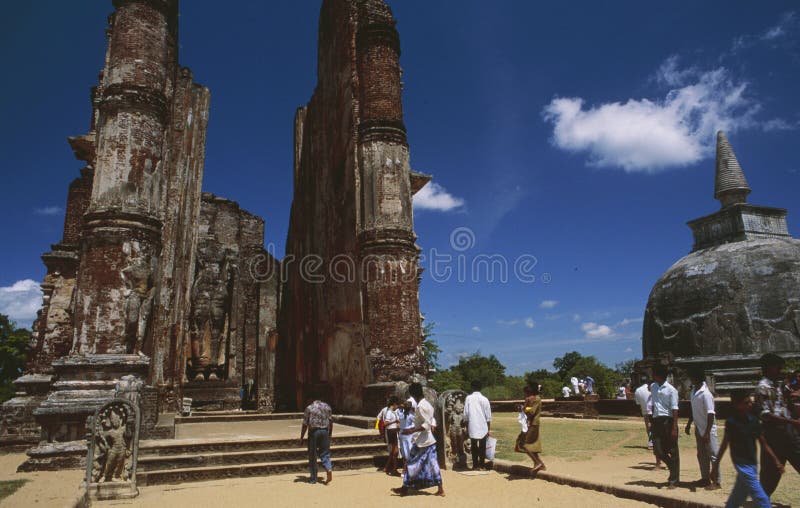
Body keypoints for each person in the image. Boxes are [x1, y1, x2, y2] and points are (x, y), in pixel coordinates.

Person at [712, 390, 783, 508]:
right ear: (737, 405)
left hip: (752, 464)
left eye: (750, 402)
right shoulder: (731, 422)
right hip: (742, 465)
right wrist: (715, 465)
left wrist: (776, 461)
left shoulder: (754, 421)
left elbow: (763, 443)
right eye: (746, 402)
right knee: (762, 498)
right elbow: (725, 444)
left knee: (736, 498)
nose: (750, 404)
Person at [754, 353, 800, 496]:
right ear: (768, 368)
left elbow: (784, 406)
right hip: (773, 435)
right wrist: (792, 422)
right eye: (777, 367)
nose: (780, 369)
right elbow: (766, 415)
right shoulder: (762, 387)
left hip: (788, 432)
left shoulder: (779, 386)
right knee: (770, 476)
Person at [391, 383, 444, 497]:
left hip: (422, 441)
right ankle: (440, 489)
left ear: (413, 393)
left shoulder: (421, 406)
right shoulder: (426, 404)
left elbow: (426, 424)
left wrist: (411, 430)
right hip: (428, 440)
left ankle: (405, 488)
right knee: (433, 464)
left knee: (411, 463)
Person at [685, 369, 721, 489]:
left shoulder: (706, 394)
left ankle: (717, 481)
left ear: (697, 378)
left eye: (692, 378)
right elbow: (693, 409)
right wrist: (689, 423)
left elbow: (711, 414)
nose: (691, 380)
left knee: (713, 455)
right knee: (702, 455)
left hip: (708, 430)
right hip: (698, 428)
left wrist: (706, 433)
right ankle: (705, 478)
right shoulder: (694, 392)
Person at [651, 364, 680, 488]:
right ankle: (673, 468)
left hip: (668, 421)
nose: (652, 376)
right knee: (658, 450)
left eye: (653, 374)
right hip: (657, 421)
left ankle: (674, 479)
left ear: (658, 375)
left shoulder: (671, 390)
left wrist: (674, 427)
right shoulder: (653, 387)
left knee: (672, 450)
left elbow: (675, 409)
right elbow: (653, 403)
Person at [300, 395, 333, 485]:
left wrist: (302, 437)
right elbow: (330, 422)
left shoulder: (309, 408)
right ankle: (328, 468)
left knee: (312, 455)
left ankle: (313, 478)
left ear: (311, 399)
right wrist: (329, 435)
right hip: (325, 431)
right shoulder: (327, 407)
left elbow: (305, 424)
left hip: (314, 433)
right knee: (325, 453)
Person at [463, 380, 492, 470]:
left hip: (472, 424)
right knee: (483, 446)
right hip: (483, 425)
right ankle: (482, 465)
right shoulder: (485, 399)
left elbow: (466, 414)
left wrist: (466, 427)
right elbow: (488, 416)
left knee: (474, 446)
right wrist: (489, 429)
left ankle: (475, 465)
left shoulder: (468, 398)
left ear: (472, 387)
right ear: (481, 388)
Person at [522, 383, 546, 473]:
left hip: (534, 424)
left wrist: (525, 407)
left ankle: (537, 463)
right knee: (530, 445)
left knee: (525, 445)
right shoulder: (533, 399)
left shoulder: (537, 399)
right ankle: (541, 464)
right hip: (531, 423)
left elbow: (531, 412)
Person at [380, 397, 401, 476]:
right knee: (394, 452)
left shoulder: (394, 412)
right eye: (397, 405)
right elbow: (385, 423)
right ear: (394, 404)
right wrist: (394, 421)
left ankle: (390, 467)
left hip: (394, 431)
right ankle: (393, 469)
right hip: (391, 432)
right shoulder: (389, 412)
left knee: (394, 452)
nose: (397, 407)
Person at [397, 397, 417, 472]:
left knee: (404, 453)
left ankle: (405, 469)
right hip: (409, 435)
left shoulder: (401, 414)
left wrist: (402, 406)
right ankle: (407, 469)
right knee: (409, 452)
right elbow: (417, 424)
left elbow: (399, 408)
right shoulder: (411, 415)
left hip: (402, 434)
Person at [634, 380, 653, 449]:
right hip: (655, 409)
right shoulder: (654, 386)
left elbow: (638, 403)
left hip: (645, 410)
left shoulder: (638, 390)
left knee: (648, 426)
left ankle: (651, 442)